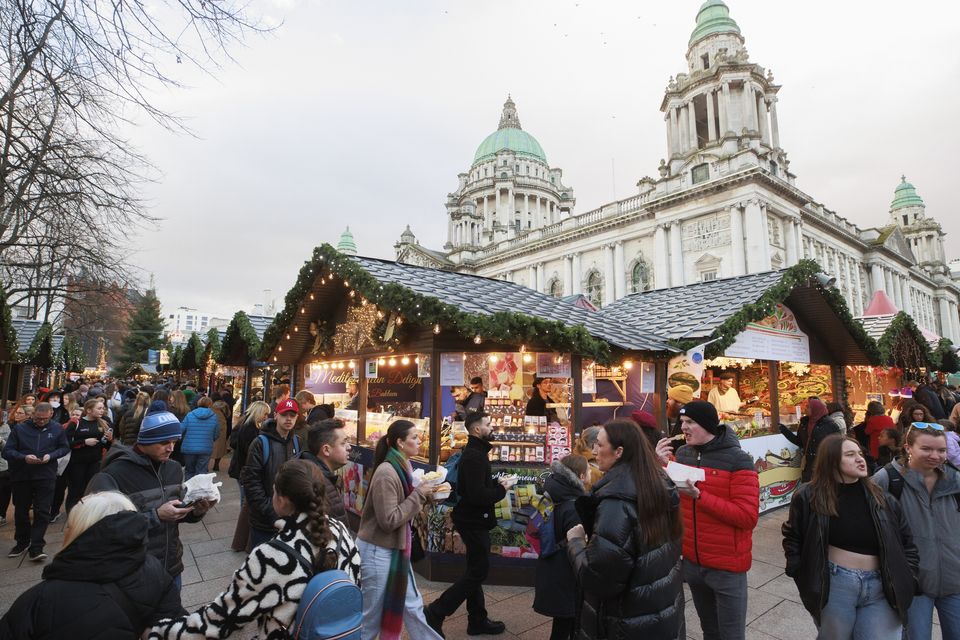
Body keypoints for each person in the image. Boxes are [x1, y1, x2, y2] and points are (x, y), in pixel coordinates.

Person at [148, 459, 359, 639]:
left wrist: (157, 631)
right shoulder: (340, 530)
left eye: (274, 490)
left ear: (283, 500)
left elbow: (218, 622)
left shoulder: (273, 556)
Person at [782, 435, 917, 638]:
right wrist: (799, 571)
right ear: (831, 460)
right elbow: (793, 536)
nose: (860, 459)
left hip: (881, 587)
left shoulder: (882, 497)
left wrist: (909, 575)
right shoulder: (808, 496)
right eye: (850, 454)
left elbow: (906, 541)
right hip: (836, 585)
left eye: (860, 454)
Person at [0, 491, 185, 639]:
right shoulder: (153, 568)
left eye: (70, 525)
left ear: (78, 531)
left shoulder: (40, 599)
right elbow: (178, 626)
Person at [568, 421, 684, 639]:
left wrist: (575, 543)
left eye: (599, 445)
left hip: (625, 621)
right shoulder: (659, 482)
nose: (594, 451)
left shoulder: (616, 503)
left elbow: (600, 579)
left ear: (619, 451)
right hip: (660, 612)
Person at [655, 400, 759, 640]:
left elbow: (747, 516)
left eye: (690, 422)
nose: (684, 427)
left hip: (727, 568)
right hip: (692, 563)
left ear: (708, 424)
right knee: (709, 632)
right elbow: (672, 500)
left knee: (731, 635)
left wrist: (700, 496)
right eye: (682, 422)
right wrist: (661, 466)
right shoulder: (683, 454)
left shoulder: (739, 460)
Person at [86, 408, 214, 589]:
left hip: (171, 567)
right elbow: (99, 527)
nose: (170, 448)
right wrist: (156, 516)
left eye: (174, 442)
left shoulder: (174, 469)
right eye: (164, 442)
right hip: (132, 572)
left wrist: (195, 511)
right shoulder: (114, 473)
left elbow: (176, 513)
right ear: (146, 440)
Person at [426, 412, 509, 637]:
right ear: (476, 430)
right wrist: (502, 489)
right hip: (473, 521)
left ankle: (477, 620)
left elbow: (474, 485)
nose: (492, 427)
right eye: (488, 424)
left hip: (471, 519)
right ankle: (436, 611)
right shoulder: (475, 456)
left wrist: (494, 482)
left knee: (475, 569)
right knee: (478, 572)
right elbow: (477, 495)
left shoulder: (475, 453)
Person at [874, 422, 960, 639]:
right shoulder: (887, 480)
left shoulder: (956, 480)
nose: (935, 455)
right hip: (913, 584)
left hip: (955, 582)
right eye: (926, 449)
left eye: (941, 450)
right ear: (908, 447)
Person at [357, 420, 442, 639]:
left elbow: (405, 505)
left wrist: (426, 495)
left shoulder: (404, 466)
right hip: (378, 550)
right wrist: (419, 495)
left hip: (396, 549)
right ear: (400, 442)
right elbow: (389, 519)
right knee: (371, 618)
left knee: (413, 607)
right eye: (414, 437)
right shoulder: (387, 472)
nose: (419, 441)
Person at [2, 402, 70, 561]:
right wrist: (24, 458)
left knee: (42, 510)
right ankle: (22, 541)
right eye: (38, 419)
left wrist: (51, 456)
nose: (41, 422)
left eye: (45, 419)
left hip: (45, 474)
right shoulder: (20, 429)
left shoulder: (57, 428)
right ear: (32, 415)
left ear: (51, 414)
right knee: (21, 510)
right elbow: (7, 452)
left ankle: (37, 546)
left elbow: (64, 448)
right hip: (22, 475)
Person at [532, 454, 589, 640]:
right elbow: (577, 544)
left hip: (552, 567)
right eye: (587, 471)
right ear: (580, 476)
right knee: (567, 622)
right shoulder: (574, 505)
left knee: (563, 621)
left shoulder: (552, 494)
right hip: (566, 573)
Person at [242, 397, 303, 550]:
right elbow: (251, 482)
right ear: (276, 415)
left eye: (292, 415)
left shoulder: (297, 442)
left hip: (291, 518)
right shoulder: (260, 443)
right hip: (265, 522)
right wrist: (271, 511)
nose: (288, 419)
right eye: (284, 415)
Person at [228, 400, 271, 553]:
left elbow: (233, 444)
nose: (267, 417)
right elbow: (249, 455)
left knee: (245, 502)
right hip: (244, 472)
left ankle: (243, 538)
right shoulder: (251, 430)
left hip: (240, 470)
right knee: (247, 504)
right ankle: (244, 539)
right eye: (265, 414)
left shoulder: (244, 424)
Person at [64, 398, 113, 512]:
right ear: (89, 410)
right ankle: (72, 515)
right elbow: (65, 443)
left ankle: (87, 514)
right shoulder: (76, 423)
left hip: (95, 462)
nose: (102, 410)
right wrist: (84, 442)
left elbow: (106, 446)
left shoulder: (104, 423)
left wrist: (109, 440)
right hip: (77, 463)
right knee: (75, 491)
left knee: (91, 491)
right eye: (99, 408)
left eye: (103, 408)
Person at [780, 397, 842, 483]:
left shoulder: (830, 425)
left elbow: (837, 445)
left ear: (815, 409)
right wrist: (784, 430)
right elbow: (799, 442)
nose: (805, 409)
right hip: (808, 465)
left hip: (824, 465)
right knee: (809, 489)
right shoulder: (804, 424)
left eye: (808, 407)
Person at [302, 418, 351, 525]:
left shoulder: (319, 476)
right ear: (326, 450)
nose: (349, 447)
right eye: (343, 443)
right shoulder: (317, 484)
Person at [179, 396, 221, 480]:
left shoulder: (190, 414)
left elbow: (181, 429)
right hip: (205, 448)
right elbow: (216, 433)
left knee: (189, 471)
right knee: (201, 472)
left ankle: (189, 490)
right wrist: (210, 439)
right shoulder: (214, 417)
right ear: (210, 405)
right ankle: (199, 491)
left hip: (189, 447)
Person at [210, 399, 231, 472]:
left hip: (211, 433)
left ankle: (207, 464)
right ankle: (216, 465)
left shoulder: (211, 410)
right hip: (221, 432)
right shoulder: (223, 413)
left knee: (209, 448)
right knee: (219, 448)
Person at [0, 418, 10, 527]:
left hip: (2, 466)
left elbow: (8, 448)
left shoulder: (5, 427)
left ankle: (1, 515)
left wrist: (1, 441)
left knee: (3, 492)